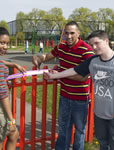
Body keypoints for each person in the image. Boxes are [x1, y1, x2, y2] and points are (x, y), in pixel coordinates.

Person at [44, 30, 114, 150]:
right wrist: (53, 76)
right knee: (103, 144)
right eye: (91, 44)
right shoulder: (93, 60)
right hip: (99, 114)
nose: (94, 47)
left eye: (97, 43)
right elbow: (74, 70)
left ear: (107, 41)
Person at [32, 21, 94, 150]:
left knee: (79, 131)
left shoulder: (86, 51)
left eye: (72, 33)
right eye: (66, 33)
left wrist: (59, 74)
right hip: (64, 96)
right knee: (63, 129)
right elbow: (47, 56)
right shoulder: (61, 46)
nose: (69, 36)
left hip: (80, 99)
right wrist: (38, 57)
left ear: (78, 33)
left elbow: (83, 77)